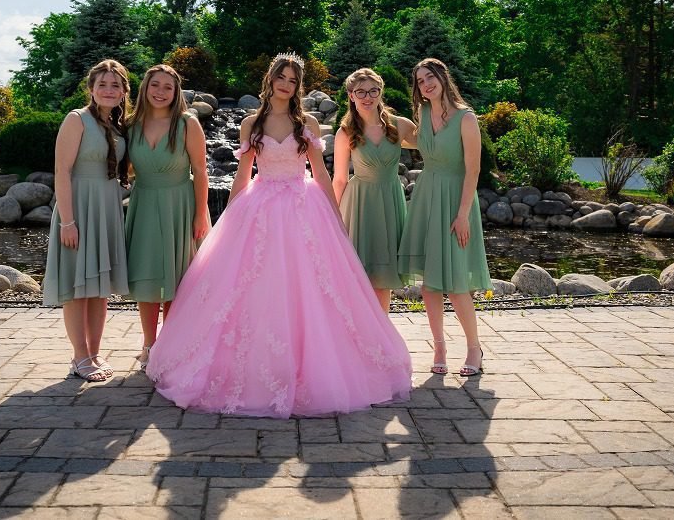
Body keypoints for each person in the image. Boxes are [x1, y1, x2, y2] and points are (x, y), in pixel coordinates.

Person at [147, 53, 412, 417]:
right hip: (261, 204)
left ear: (298, 86)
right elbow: (243, 174)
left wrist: (335, 217)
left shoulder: (308, 124)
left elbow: (321, 172)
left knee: (313, 286)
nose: (286, 85)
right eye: (281, 77)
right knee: (253, 286)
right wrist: (231, 217)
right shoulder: (251, 123)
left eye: (292, 80)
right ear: (270, 79)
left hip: (304, 206)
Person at [398, 57, 490, 377]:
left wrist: (463, 215)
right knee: (429, 285)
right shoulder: (423, 113)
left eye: (430, 77)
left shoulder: (466, 118)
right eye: (420, 81)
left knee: (456, 284)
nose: (426, 84)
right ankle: (439, 347)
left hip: (455, 201)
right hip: (426, 197)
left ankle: (474, 348)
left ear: (442, 77)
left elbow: (473, 170)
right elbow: (406, 138)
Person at [43, 59, 131, 382]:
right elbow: (62, 171)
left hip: (106, 208)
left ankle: (94, 352)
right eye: (102, 84)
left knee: (99, 288)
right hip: (79, 208)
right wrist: (67, 221)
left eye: (115, 85)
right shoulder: (76, 119)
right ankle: (80, 357)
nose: (109, 90)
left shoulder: (119, 126)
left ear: (124, 91)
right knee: (77, 287)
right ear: (91, 89)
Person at [124, 64, 210, 371]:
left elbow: (200, 171)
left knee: (178, 279)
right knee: (146, 276)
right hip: (144, 203)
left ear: (176, 93)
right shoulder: (130, 125)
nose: (160, 92)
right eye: (155, 85)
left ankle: (172, 346)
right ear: (145, 88)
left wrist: (200, 215)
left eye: (168, 87)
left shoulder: (187, 123)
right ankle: (149, 344)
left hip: (180, 204)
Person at [332, 68, 417, 313]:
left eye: (373, 91)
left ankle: (382, 330)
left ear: (381, 92)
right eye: (361, 92)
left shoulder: (400, 125)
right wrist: (332, 216)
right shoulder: (345, 132)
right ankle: (359, 328)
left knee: (384, 277)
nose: (367, 97)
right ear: (351, 96)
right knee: (359, 276)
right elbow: (340, 179)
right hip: (360, 204)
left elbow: (432, 146)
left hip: (390, 201)